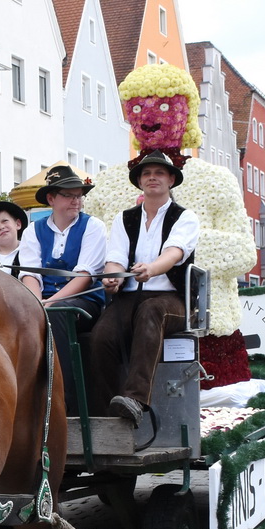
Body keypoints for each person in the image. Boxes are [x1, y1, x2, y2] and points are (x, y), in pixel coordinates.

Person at [89, 151, 198, 427]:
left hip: (171, 299)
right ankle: (106, 415)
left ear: (171, 180)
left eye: (159, 173)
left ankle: (135, 400)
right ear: (139, 182)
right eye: (146, 173)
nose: (152, 177)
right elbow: (115, 257)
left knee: (151, 311)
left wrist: (152, 268)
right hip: (129, 298)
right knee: (101, 336)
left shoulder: (184, 217)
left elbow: (174, 253)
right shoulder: (124, 218)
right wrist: (112, 278)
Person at [18, 166, 108, 320]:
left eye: (79, 196)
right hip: (43, 299)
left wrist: (50, 304)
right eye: (68, 195)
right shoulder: (33, 230)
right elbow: (30, 274)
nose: (76, 201)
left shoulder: (93, 226)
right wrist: (37, 304)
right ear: (51, 199)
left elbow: (85, 275)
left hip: (84, 301)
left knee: (58, 312)